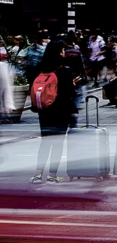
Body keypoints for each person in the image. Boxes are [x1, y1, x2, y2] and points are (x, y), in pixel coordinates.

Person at [30, 39, 78, 183]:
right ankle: (52, 175)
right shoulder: (63, 69)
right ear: (60, 52)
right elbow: (69, 92)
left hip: (44, 110)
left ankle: (38, 174)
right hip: (61, 111)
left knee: (45, 142)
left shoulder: (40, 67)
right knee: (57, 143)